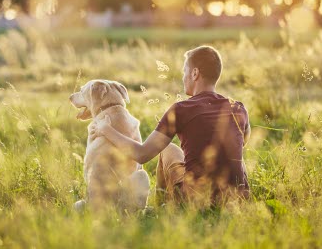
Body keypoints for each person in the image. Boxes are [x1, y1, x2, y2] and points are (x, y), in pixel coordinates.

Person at [90, 45, 251, 207]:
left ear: (195, 73)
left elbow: (142, 154)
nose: (183, 77)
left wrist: (106, 129)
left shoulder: (181, 109)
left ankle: (162, 207)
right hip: (238, 199)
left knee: (167, 149)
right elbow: (242, 143)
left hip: (197, 199)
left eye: (184, 71)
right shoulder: (239, 108)